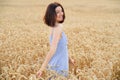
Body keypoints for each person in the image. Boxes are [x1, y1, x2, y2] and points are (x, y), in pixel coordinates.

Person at [37, 2, 75, 79]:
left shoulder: (52, 27)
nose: (61, 13)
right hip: (59, 65)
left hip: (55, 64)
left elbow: (61, 48)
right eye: (57, 12)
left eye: (61, 11)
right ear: (52, 14)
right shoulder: (58, 27)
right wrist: (42, 68)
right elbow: (52, 50)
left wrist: (70, 59)